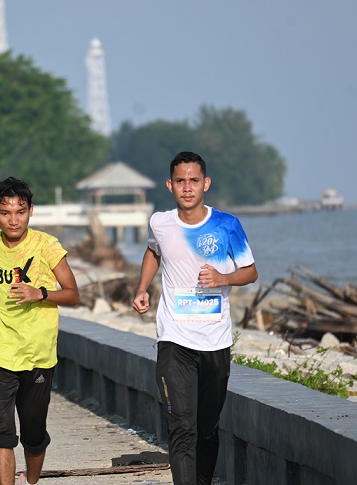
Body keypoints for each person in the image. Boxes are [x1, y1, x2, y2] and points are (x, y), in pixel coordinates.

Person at [131, 151, 258, 485]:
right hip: (174, 339)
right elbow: (153, 250)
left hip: (215, 341)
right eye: (181, 181)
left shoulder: (226, 225)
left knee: (206, 429)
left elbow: (250, 271)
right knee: (182, 427)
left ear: (206, 183)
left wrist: (223, 278)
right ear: (170, 185)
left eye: (194, 180)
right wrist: (142, 287)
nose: (188, 188)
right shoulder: (160, 222)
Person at [0, 177, 79, 485]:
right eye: (5, 212)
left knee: (34, 433)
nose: (13, 220)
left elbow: (72, 293)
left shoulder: (46, 246)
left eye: (20, 212)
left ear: (30, 211)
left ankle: (32, 478)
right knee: (1, 432)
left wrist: (39, 292)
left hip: (37, 354)